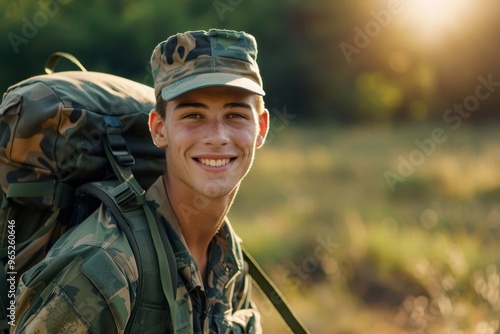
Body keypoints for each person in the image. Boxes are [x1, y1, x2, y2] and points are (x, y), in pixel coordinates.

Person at [13, 28, 269, 333]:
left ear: (261, 128)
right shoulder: (104, 269)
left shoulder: (228, 257)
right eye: (193, 116)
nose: (216, 136)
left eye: (235, 115)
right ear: (159, 129)